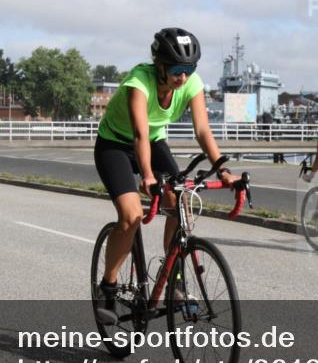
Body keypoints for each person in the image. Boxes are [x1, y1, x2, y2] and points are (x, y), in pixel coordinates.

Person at [95, 28, 239, 301]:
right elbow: (140, 133)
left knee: (180, 202)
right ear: (159, 65)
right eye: (175, 69)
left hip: (154, 141)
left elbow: (203, 131)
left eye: (189, 69)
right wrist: (148, 176)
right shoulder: (139, 81)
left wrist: (223, 169)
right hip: (115, 144)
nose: (182, 77)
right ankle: (108, 286)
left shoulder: (191, 84)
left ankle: (173, 275)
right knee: (131, 216)